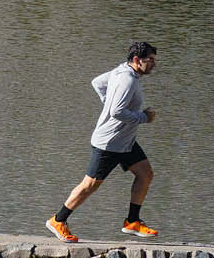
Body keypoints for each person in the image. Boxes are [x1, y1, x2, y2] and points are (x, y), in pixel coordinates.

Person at [46, 42, 159, 243]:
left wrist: (108, 102)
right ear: (136, 60)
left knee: (145, 174)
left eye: (154, 60)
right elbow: (116, 111)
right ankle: (58, 220)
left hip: (126, 141)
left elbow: (97, 82)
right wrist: (143, 117)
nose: (153, 64)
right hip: (110, 142)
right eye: (149, 60)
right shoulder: (127, 80)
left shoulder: (120, 72)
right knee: (90, 185)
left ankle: (132, 221)